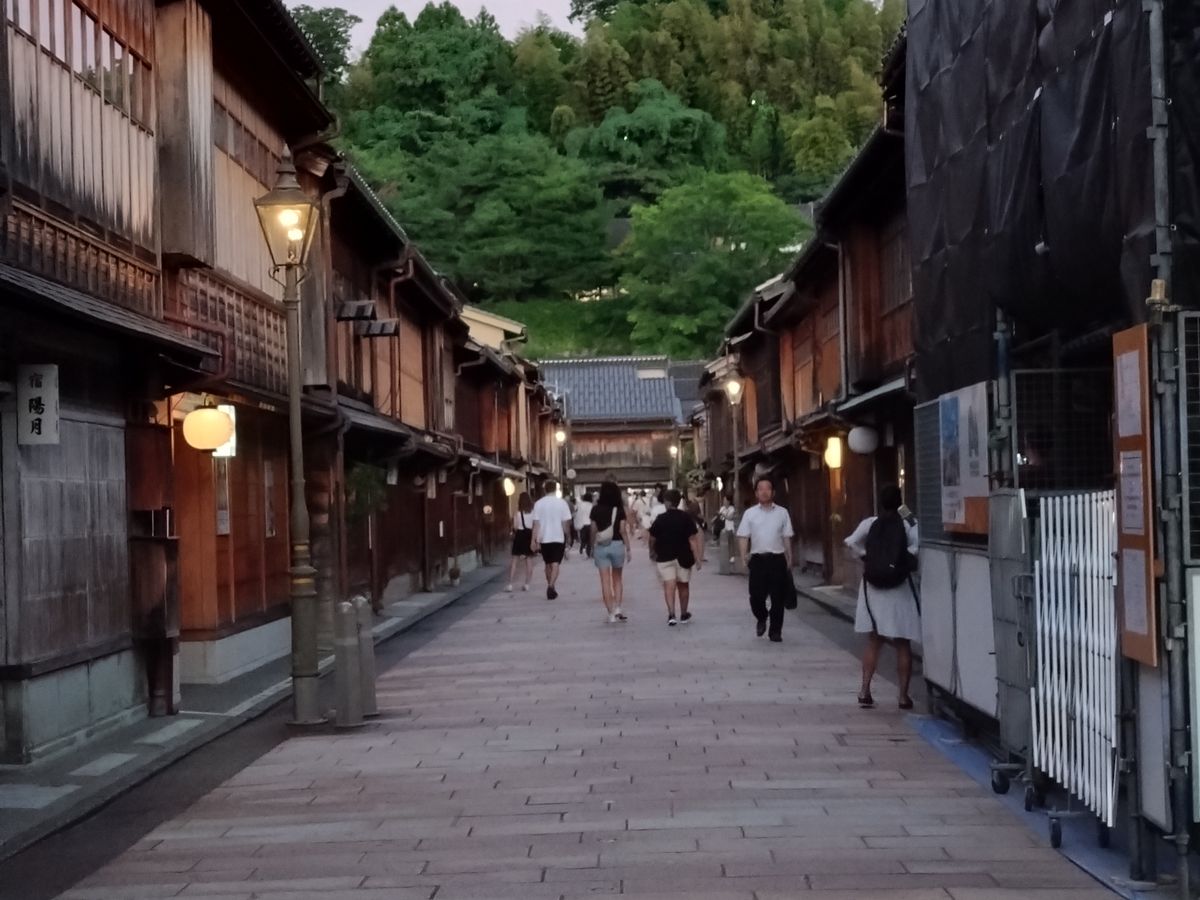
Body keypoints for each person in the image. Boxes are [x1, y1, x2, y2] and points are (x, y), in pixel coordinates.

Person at [845, 485, 921, 710]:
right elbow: (918, 545)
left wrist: (866, 556)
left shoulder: (870, 523)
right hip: (899, 586)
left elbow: (850, 541)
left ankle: (864, 690)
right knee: (903, 642)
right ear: (900, 501)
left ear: (880, 502)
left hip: (874, 586)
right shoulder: (908, 523)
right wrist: (901, 559)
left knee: (874, 640)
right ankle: (903, 697)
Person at [736, 477, 795, 642]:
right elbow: (743, 536)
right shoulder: (750, 514)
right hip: (757, 559)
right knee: (756, 596)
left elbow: (786, 536)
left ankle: (775, 631)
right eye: (760, 489)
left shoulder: (782, 513)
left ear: (773, 492)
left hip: (777, 558)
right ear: (756, 493)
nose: (764, 492)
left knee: (778, 597)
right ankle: (761, 616)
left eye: (767, 488)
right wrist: (743, 557)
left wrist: (789, 557)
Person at [649, 489, 704, 626]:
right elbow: (692, 539)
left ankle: (671, 614)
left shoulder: (661, 519)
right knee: (683, 585)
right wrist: (697, 558)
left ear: (667, 502)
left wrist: (652, 551)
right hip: (683, 557)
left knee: (669, 585)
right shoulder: (686, 518)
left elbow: (652, 537)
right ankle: (684, 614)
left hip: (664, 556)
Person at [590, 480, 632, 623]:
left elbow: (593, 529)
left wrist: (592, 545)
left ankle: (610, 613)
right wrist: (628, 548)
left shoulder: (595, 509)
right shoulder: (619, 509)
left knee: (605, 581)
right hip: (617, 545)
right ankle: (618, 607)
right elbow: (622, 530)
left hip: (601, 546)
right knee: (618, 578)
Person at [531, 481, 573, 600]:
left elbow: (536, 524)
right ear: (556, 489)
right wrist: (568, 535)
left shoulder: (538, 504)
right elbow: (566, 523)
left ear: (545, 489)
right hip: (558, 537)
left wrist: (533, 540)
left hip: (543, 538)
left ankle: (551, 586)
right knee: (556, 563)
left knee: (547, 564)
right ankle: (551, 586)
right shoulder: (562, 503)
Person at [506, 492, 537, 592]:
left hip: (519, 536)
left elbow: (515, 526)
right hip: (529, 535)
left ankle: (510, 584)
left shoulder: (517, 512)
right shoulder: (533, 512)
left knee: (514, 561)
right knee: (529, 561)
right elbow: (535, 525)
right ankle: (527, 584)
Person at [574, 491, 595, 559]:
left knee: (583, 538)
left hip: (582, 524)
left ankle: (582, 548)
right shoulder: (592, 505)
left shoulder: (580, 505)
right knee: (589, 539)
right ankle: (588, 552)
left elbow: (577, 513)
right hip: (590, 524)